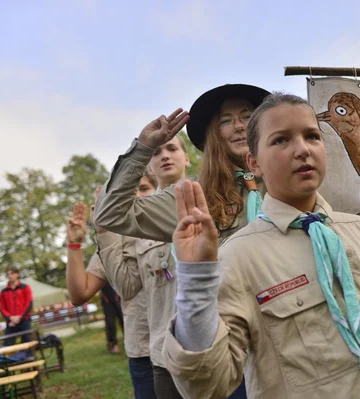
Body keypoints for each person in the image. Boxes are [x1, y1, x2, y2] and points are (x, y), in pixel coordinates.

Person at [162, 92, 360, 398]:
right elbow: (206, 385)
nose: (302, 149)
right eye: (281, 140)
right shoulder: (238, 258)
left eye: (312, 136)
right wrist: (196, 279)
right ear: (255, 162)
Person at [93, 83, 270, 399]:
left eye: (247, 115)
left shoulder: (286, 185)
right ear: (213, 134)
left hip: (273, 354)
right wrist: (143, 147)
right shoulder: (193, 196)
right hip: (211, 355)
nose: (240, 125)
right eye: (226, 120)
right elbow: (110, 215)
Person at [96, 135, 189, 399]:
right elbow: (127, 286)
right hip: (164, 353)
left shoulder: (213, 199)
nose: (165, 156)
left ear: (188, 157)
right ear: (149, 165)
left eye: (172, 148)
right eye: (157, 152)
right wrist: (105, 232)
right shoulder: (136, 219)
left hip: (214, 343)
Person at [66, 172, 158, 399]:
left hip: (181, 344)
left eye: (144, 188)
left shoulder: (171, 226)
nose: (136, 196)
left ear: (158, 190)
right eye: (127, 193)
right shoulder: (112, 241)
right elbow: (79, 294)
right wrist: (74, 244)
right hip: (143, 353)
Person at [0, 266, 33, 359]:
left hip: (24, 320)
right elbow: (2, 308)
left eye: (12, 273)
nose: (10, 276)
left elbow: (28, 304)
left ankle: (30, 363)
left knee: (27, 342)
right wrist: (10, 318)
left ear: (17, 274)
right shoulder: (4, 292)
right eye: (8, 274)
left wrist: (20, 318)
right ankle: (9, 363)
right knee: (8, 344)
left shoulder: (25, 288)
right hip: (11, 322)